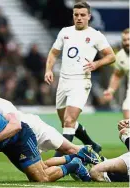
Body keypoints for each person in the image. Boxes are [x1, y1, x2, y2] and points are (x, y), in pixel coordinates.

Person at [44, 1, 115, 154]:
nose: (79, 18)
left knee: (69, 121)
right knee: (65, 121)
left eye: (83, 15)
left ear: (89, 16)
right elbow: (54, 53)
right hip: (63, 81)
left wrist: (96, 64)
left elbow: (111, 56)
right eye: (76, 15)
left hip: (81, 81)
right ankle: (91, 144)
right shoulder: (65, 32)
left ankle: (60, 158)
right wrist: (48, 70)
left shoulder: (95, 35)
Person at [103, 28, 129, 119]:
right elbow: (117, 75)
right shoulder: (120, 56)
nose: (127, 42)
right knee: (127, 122)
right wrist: (110, 90)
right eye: (124, 40)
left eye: (129, 39)